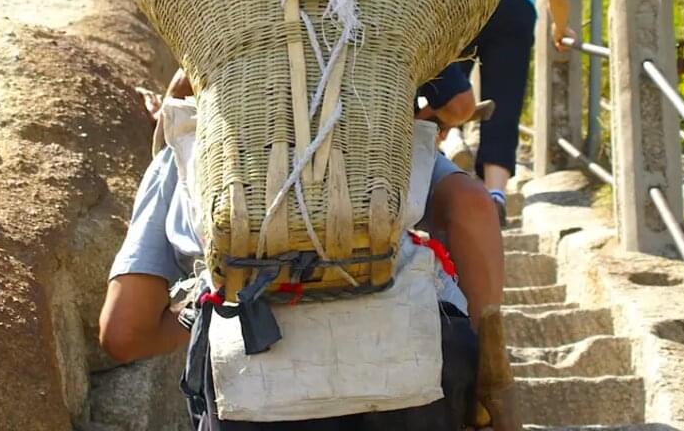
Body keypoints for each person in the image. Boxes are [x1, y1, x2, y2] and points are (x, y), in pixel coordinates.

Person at [102, 71, 518, 430]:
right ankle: (491, 391)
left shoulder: (187, 152)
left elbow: (123, 331)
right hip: (409, 378)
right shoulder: (385, 129)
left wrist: (214, 305)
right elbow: (471, 205)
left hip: (250, 388)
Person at [460, 0, 572, 225]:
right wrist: (560, 29)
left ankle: (444, 154)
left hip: (470, 1)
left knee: (446, 85)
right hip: (515, 9)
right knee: (503, 101)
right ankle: (495, 192)